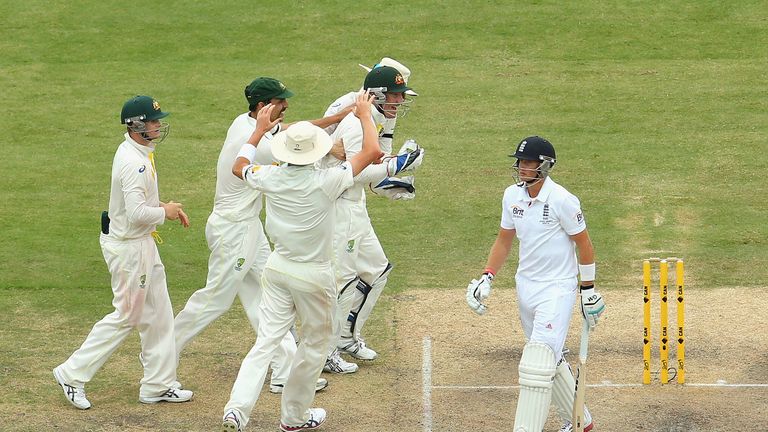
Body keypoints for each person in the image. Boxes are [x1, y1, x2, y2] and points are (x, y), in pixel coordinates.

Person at [172, 77, 349, 394]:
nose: (286, 105)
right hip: (233, 229)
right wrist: (332, 148)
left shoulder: (250, 123)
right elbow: (298, 152)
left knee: (266, 301)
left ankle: (284, 373)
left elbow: (293, 131)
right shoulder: (251, 136)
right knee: (214, 302)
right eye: (281, 101)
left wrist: (334, 119)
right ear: (263, 107)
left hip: (249, 226)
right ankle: (159, 365)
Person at [221, 91, 382, 432]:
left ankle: (236, 411)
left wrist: (258, 131)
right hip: (313, 276)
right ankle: (293, 418)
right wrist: (366, 115)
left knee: (265, 342)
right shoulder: (327, 180)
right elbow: (372, 153)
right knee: (314, 346)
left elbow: (239, 166)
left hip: (277, 270)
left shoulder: (271, 176)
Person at [53, 95, 193, 409]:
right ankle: (71, 373)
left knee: (159, 314)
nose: (159, 126)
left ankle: (157, 385)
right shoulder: (135, 163)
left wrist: (161, 207)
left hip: (142, 244)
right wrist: (165, 212)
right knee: (127, 315)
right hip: (129, 249)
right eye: (154, 121)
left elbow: (140, 206)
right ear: (137, 125)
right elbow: (135, 214)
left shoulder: (138, 152)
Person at [465, 136, 606, 432]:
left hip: (557, 288)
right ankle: (582, 422)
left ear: (545, 166)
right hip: (525, 287)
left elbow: (585, 244)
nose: (522, 168)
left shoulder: (563, 200)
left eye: (528, 163)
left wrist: (588, 289)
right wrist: (487, 275)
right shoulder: (511, 196)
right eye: (520, 162)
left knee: (537, 362)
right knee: (549, 359)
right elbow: (504, 240)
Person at [319, 65, 425, 374]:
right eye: (394, 97)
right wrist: (401, 165)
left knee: (377, 271)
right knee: (342, 281)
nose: (399, 102)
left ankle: (346, 337)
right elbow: (358, 172)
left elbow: (378, 168)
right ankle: (325, 353)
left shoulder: (379, 119)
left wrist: (396, 183)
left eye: (401, 96)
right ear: (376, 95)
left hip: (355, 205)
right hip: (338, 208)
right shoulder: (354, 125)